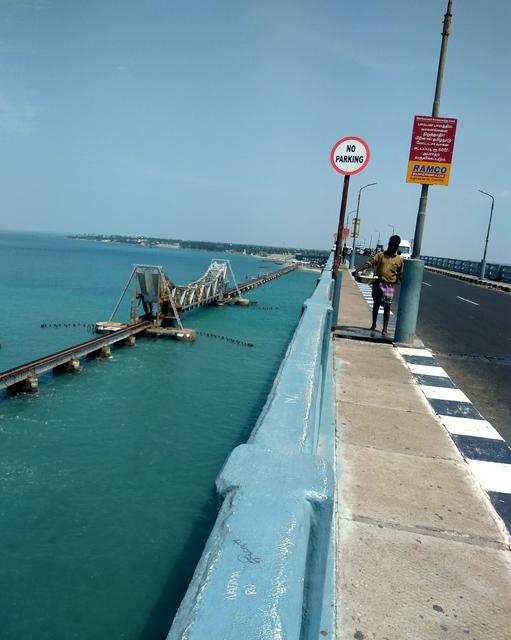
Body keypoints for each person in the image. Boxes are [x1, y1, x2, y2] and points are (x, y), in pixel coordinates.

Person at [352, 235, 404, 337]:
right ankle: (373, 323)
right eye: (391, 245)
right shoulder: (380, 255)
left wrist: (402, 281)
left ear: (397, 246)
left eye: (395, 246)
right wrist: (358, 270)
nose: (392, 247)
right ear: (388, 244)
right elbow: (370, 263)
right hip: (378, 283)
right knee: (376, 304)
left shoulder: (400, 260)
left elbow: (401, 273)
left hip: (389, 285)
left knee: (387, 306)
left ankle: (384, 328)